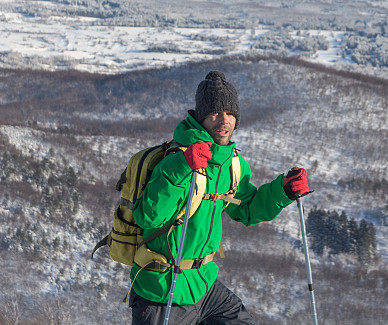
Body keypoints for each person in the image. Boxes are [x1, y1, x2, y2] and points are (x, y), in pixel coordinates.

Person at [129, 70, 311, 324]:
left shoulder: (232, 164)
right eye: (215, 113)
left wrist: (283, 190)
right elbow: (148, 216)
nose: (223, 120)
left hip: (203, 284)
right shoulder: (176, 159)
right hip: (162, 289)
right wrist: (182, 166)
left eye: (229, 113)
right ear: (201, 117)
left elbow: (246, 209)